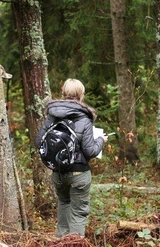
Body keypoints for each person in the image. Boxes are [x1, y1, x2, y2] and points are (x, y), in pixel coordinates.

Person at [35, 78, 108, 238]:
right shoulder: (84, 118)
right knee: (78, 212)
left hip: (58, 173)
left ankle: (60, 246)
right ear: (81, 95)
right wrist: (101, 140)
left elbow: (39, 142)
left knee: (64, 204)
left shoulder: (52, 115)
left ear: (63, 94)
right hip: (79, 174)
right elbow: (90, 151)